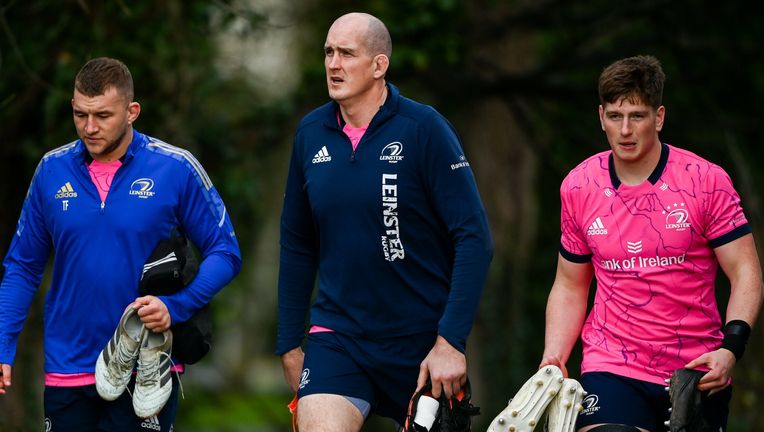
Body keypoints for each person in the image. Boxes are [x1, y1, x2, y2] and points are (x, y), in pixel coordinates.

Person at [276, 12, 493, 431]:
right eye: (328, 52)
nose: (333, 64)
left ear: (379, 65)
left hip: (422, 342)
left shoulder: (423, 129)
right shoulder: (310, 134)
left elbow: (474, 237)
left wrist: (450, 342)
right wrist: (288, 344)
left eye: (346, 53)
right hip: (338, 336)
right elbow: (297, 242)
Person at [0, 57, 241, 431]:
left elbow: (225, 252)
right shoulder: (51, 170)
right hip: (67, 367)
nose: (89, 127)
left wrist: (175, 307)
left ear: (132, 112)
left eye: (102, 116)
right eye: (80, 115)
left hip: (146, 369)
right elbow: (22, 266)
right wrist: (3, 342)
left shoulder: (175, 167)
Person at [539, 55, 764, 431]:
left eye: (637, 116)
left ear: (659, 117)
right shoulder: (578, 186)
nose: (625, 130)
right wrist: (554, 355)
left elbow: (746, 271)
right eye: (615, 116)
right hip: (610, 363)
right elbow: (570, 283)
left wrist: (731, 349)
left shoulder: (705, 180)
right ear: (601, 117)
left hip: (695, 368)